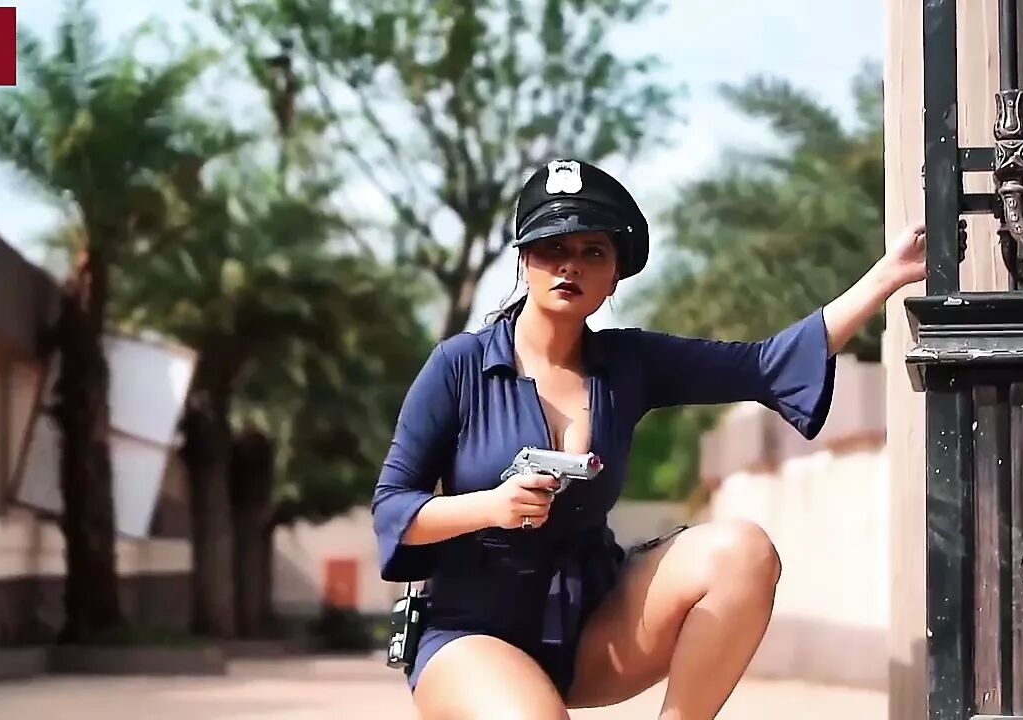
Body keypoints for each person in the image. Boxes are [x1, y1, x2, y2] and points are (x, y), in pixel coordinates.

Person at [372, 158, 927, 720]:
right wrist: (492, 506)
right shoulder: (459, 366)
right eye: (553, 248)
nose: (571, 265)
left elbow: (764, 364)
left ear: (615, 274)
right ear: (525, 260)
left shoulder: (628, 364)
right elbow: (393, 508)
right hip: (470, 635)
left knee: (742, 553)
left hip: (594, 627)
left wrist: (889, 275)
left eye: (593, 252)